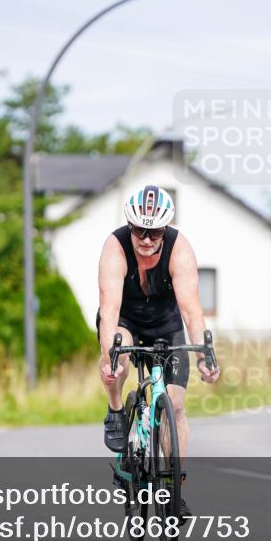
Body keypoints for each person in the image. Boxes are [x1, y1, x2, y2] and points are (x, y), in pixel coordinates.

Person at [96, 185, 220, 517]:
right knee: (116, 357)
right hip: (126, 320)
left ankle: (172, 491)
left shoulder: (180, 250)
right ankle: (116, 411)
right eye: (139, 230)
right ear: (129, 225)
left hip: (166, 326)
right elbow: (108, 310)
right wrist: (110, 355)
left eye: (154, 232)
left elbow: (193, 312)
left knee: (176, 408)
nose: (146, 239)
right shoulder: (116, 248)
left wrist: (205, 356)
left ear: (165, 229)